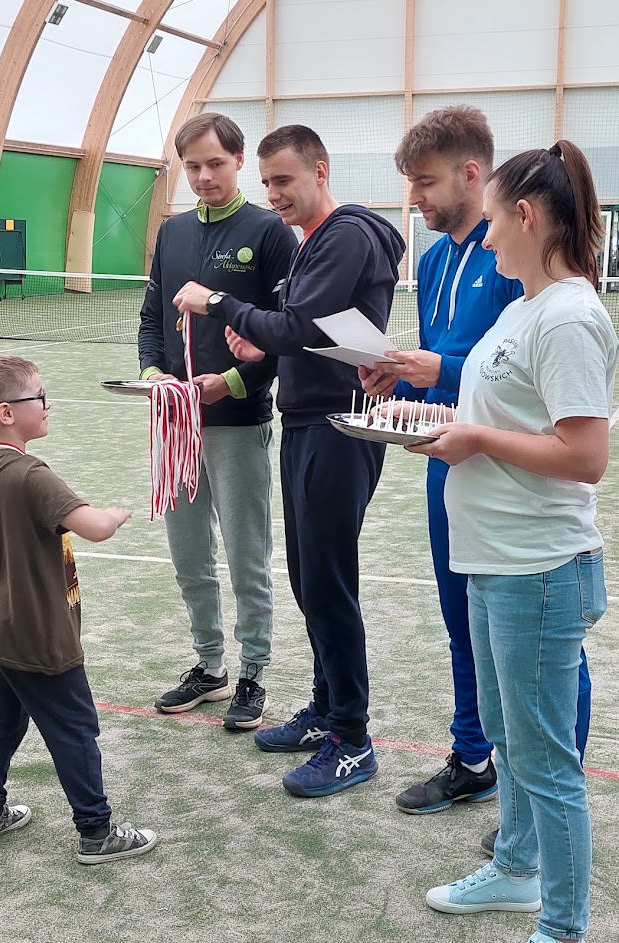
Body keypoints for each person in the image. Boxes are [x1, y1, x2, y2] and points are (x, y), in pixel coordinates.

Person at [360, 107, 592, 841]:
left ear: (472, 175)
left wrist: (441, 371)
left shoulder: (521, 270)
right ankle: (474, 758)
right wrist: (406, 376)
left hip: (518, 482)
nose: (415, 199)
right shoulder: (433, 261)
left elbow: (513, 380)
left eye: (425, 183)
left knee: (547, 649)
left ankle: (551, 793)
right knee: (466, 625)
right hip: (452, 462)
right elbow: (460, 367)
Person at [412, 142, 617, 943]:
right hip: (494, 560)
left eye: (495, 219)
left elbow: (585, 455)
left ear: (525, 216)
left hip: (540, 568)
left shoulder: (568, 316)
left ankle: (562, 926)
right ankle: (517, 867)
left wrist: (476, 441)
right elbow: (499, 418)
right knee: (509, 738)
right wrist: (436, 421)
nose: (487, 235)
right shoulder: (523, 309)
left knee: (546, 762)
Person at [173, 124, 405, 797]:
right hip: (306, 421)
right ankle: (327, 711)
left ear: (319, 171)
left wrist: (220, 303)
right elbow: (304, 332)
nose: (273, 193)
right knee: (308, 579)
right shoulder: (314, 242)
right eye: (267, 182)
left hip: (340, 427)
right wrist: (264, 344)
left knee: (327, 583)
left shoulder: (348, 235)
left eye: (284, 180)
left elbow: (299, 326)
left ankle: (352, 740)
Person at [0, 353, 157, 865]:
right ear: (6, 412)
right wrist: (116, 513)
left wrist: (1, 590)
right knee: (74, 727)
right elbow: (95, 527)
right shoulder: (30, 474)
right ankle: (96, 831)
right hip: (38, 633)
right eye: (39, 396)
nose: (48, 404)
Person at [138, 113, 298, 730]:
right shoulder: (173, 232)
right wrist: (155, 374)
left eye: (215, 164)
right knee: (188, 556)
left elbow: (283, 335)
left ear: (237, 162)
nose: (204, 177)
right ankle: (209, 666)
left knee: (245, 555)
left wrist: (227, 384)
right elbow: (152, 318)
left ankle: (253, 672)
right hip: (175, 425)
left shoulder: (269, 231)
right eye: (193, 167)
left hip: (238, 422)